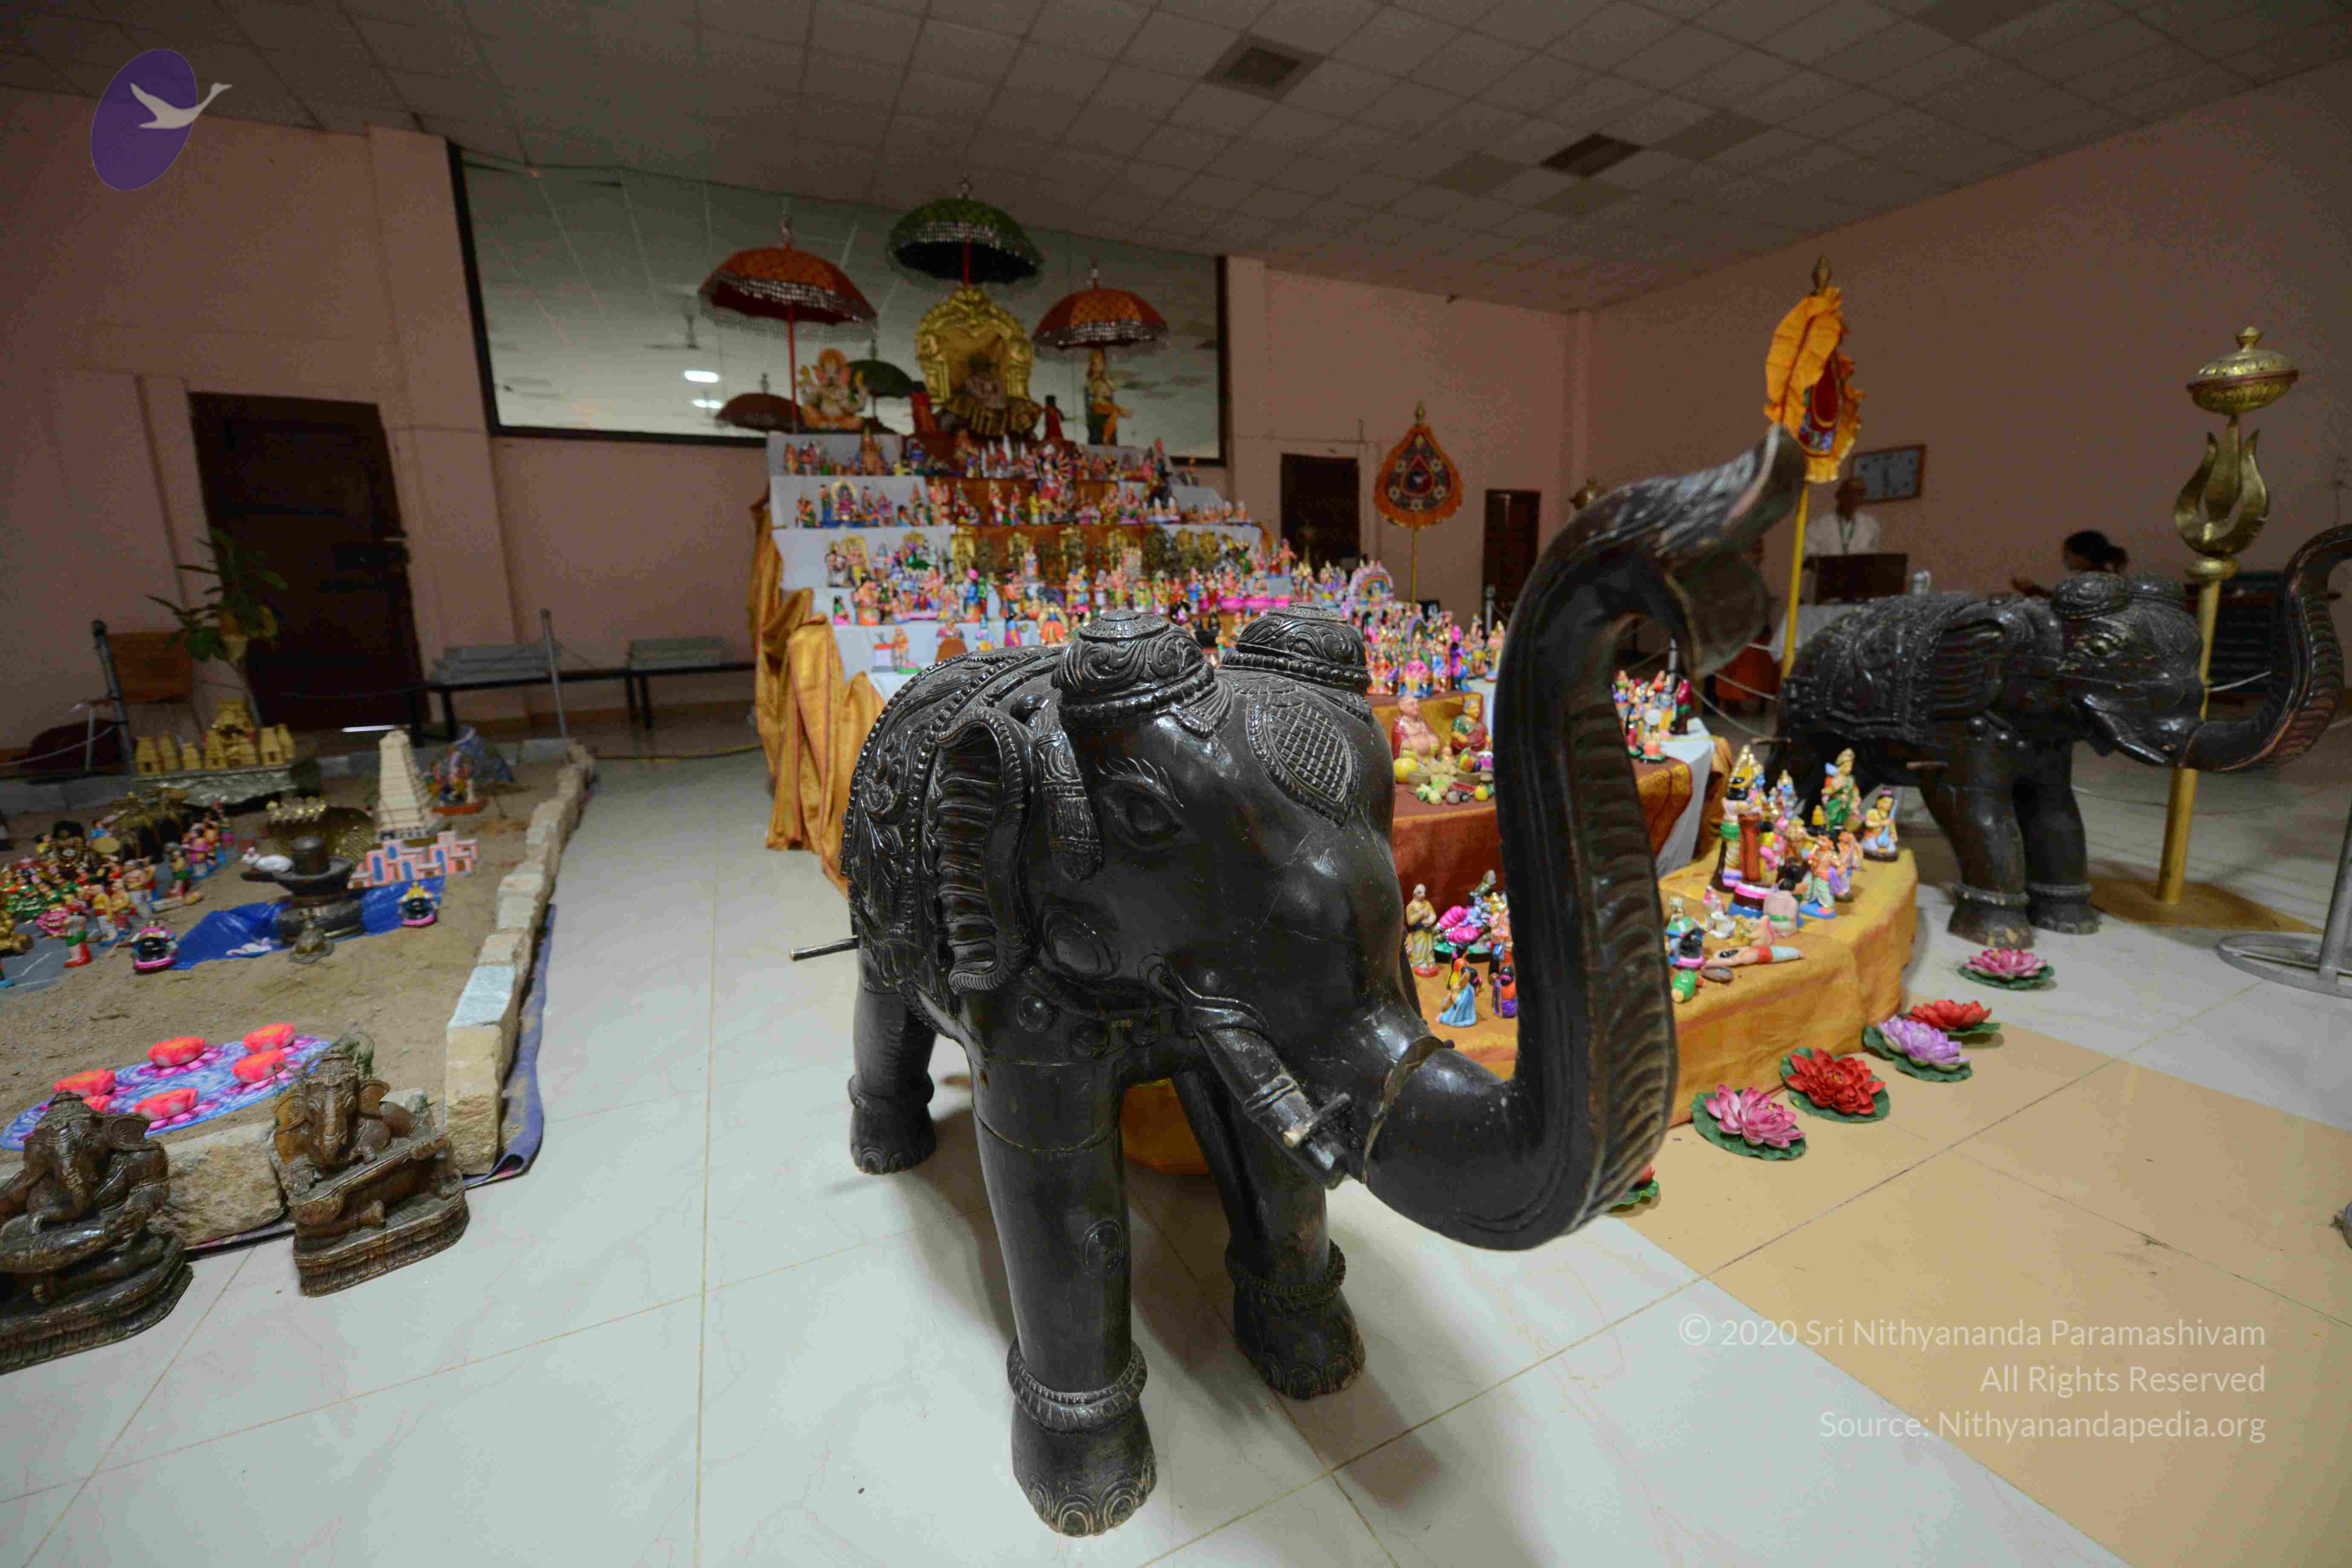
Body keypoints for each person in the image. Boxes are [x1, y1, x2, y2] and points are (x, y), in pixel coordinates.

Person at [2012, 530, 2129, 596]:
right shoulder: (2108, 578)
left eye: (2068, 556)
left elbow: (2067, 603)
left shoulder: (2092, 581)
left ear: (2083, 556)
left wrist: (2034, 591)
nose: (2064, 560)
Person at [1806, 475, 1881, 558]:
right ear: (1839, 495)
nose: (1854, 497)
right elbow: (1810, 558)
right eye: (1850, 492)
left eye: (1859, 494)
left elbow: (1873, 557)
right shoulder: (1818, 526)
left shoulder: (1871, 526)